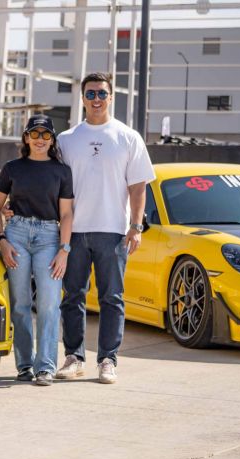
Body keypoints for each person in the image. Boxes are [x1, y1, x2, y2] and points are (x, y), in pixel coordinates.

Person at [55, 72, 155, 384]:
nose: (96, 99)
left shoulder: (128, 137)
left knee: (112, 297)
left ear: (111, 97)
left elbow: (139, 188)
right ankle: (74, 357)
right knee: (73, 296)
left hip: (113, 230)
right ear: (82, 98)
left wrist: (136, 226)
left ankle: (108, 360)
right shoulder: (66, 140)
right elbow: (54, 187)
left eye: (102, 93)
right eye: (90, 94)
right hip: (75, 232)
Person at [0, 114, 73, 386]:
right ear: (26, 138)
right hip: (17, 236)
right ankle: (25, 365)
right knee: (21, 305)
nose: (40, 139)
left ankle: (45, 367)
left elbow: (67, 214)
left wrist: (64, 249)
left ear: (52, 139)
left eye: (45, 134)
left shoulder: (62, 171)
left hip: (50, 237)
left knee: (49, 304)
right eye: (34, 134)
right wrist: (2, 239)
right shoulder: (12, 168)